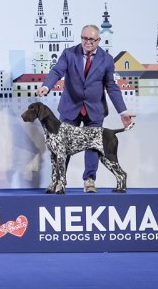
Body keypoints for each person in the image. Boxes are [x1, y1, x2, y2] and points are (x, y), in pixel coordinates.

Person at [36, 25, 135, 193]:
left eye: (91, 39)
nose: (87, 42)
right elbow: (57, 71)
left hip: (95, 109)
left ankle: (89, 180)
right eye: (84, 38)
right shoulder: (69, 53)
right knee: (61, 147)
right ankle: (58, 181)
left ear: (99, 40)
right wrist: (47, 86)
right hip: (70, 107)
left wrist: (123, 111)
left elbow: (111, 86)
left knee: (94, 147)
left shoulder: (107, 59)